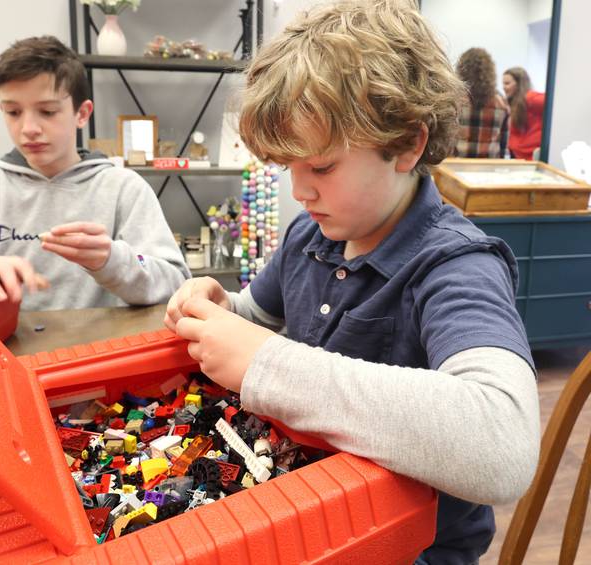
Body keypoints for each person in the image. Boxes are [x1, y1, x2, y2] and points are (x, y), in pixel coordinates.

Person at [164, 2, 539, 563]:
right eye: (288, 168)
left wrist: (267, 364)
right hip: (310, 515)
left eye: (320, 168)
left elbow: (502, 441)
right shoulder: (309, 233)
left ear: (408, 144)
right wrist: (219, 310)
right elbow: (256, 321)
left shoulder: (457, 265)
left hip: (410, 548)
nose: (300, 191)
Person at [0, 36, 190, 310]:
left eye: (47, 112)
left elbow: (175, 285)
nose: (28, 128)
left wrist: (112, 260)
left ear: (82, 114)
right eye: (13, 112)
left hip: (99, 348)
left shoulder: (122, 188)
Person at [455, 47, 509, 158]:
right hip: (487, 168)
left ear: (461, 70)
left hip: (457, 166)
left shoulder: (454, 100)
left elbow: (445, 140)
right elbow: (503, 144)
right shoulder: (501, 103)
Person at [503, 66, 545, 160]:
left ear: (519, 84)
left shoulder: (531, 98)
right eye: (503, 83)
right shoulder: (514, 102)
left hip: (529, 156)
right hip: (518, 155)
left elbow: (553, 104)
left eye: (507, 83)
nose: (504, 87)